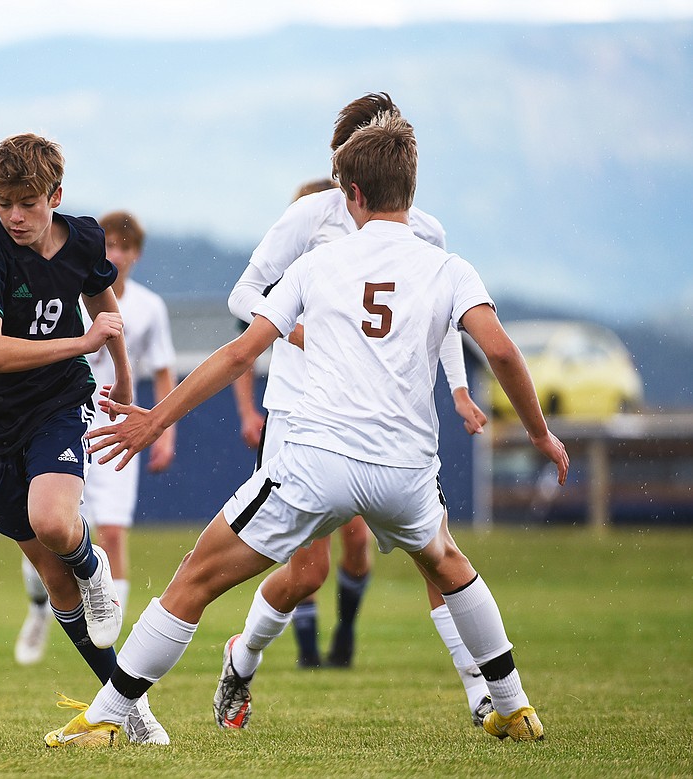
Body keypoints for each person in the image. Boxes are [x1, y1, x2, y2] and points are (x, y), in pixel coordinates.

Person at [44, 110, 568, 747]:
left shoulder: (319, 266)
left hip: (315, 463)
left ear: (351, 196)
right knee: (450, 566)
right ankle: (510, 704)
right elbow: (505, 352)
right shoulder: (448, 266)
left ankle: (105, 715)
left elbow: (239, 354)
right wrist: (540, 434)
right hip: (405, 471)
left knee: (196, 579)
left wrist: (156, 419)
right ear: (411, 190)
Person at [226, 94, 493, 733]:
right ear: (344, 158)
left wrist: (458, 389)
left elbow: (446, 317)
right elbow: (244, 293)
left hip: (387, 419)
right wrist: (298, 334)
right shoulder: (311, 217)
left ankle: (481, 692)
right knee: (305, 573)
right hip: (302, 413)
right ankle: (244, 656)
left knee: (438, 554)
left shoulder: (425, 233)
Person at [0, 132, 166, 744]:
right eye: (3, 203)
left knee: (53, 521)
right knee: (51, 572)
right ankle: (130, 708)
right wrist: (84, 343)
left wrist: (121, 375)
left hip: (57, 403)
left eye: (27, 202)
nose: (14, 216)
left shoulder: (86, 238)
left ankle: (93, 567)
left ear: (55, 195)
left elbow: (104, 305)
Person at [15, 210, 178, 667]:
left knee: (112, 532)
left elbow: (164, 368)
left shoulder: (148, 307)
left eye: (125, 248)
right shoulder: (66, 288)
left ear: (136, 255)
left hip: (114, 425)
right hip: (64, 419)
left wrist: (163, 428)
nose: (116, 256)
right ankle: (38, 609)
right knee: (48, 531)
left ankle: (114, 643)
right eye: (109, 246)